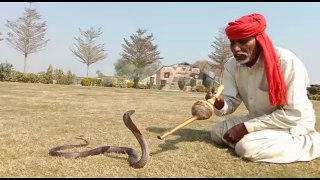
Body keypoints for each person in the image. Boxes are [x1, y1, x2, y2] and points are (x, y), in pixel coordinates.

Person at [205, 13, 320, 163]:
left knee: (246, 148)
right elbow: (230, 101)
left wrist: (246, 128)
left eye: (243, 41)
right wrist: (220, 103)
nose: (236, 49)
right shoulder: (231, 66)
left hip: (290, 122)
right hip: (258, 119)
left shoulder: (285, 62)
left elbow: (293, 113)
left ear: (259, 40)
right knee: (217, 132)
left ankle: (312, 143)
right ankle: (263, 140)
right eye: (232, 43)